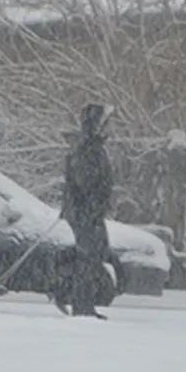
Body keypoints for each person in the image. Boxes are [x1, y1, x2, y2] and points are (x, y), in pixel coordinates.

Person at [60, 103, 115, 319]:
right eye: (107, 124)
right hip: (85, 215)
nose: (111, 129)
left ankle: (85, 303)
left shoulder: (92, 147)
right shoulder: (87, 149)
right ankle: (82, 305)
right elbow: (85, 183)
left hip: (89, 214)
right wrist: (95, 204)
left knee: (93, 258)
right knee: (87, 259)